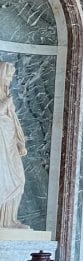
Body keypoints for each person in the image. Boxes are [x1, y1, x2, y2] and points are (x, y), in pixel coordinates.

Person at [0, 61, 28, 229]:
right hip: (1, 146)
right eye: (7, 75)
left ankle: (10, 219)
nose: (9, 79)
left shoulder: (6, 94)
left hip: (9, 144)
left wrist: (19, 141)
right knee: (4, 180)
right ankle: (3, 221)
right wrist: (6, 104)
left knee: (19, 179)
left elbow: (15, 121)